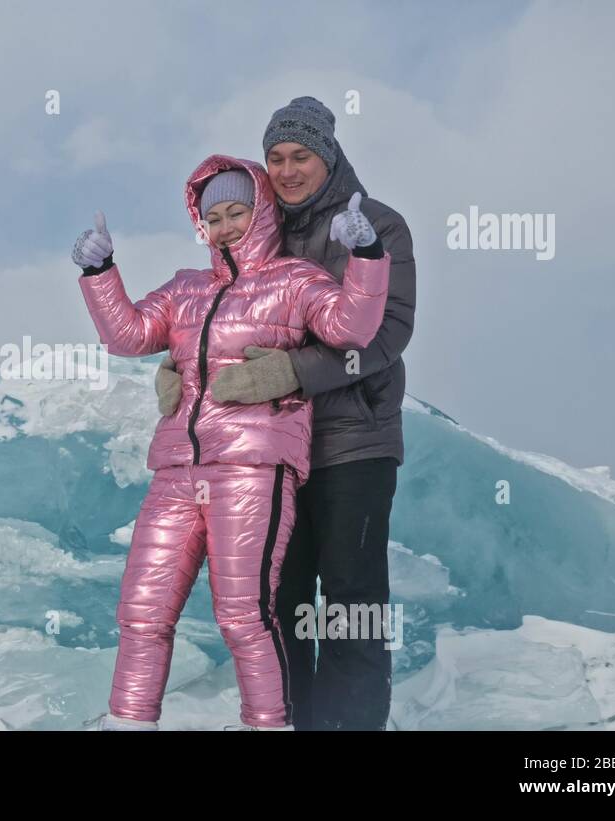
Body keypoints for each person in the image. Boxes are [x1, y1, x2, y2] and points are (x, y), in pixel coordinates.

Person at [73, 153, 390, 730]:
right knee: (142, 613)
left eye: (237, 212)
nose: (224, 227)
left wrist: (366, 256)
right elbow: (129, 335)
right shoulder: (184, 289)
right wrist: (101, 274)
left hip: (251, 468)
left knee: (244, 616)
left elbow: (352, 329)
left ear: (262, 211)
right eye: (212, 216)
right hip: (176, 472)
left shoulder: (295, 279)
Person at [155, 97, 417, 730]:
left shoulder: (376, 225)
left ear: (328, 155)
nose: (288, 169)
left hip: (352, 442)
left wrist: (292, 372)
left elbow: (387, 336)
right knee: (279, 604)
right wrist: (177, 367)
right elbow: (216, 319)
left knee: (351, 604)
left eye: (301, 156)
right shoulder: (253, 230)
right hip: (269, 457)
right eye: (275, 158)